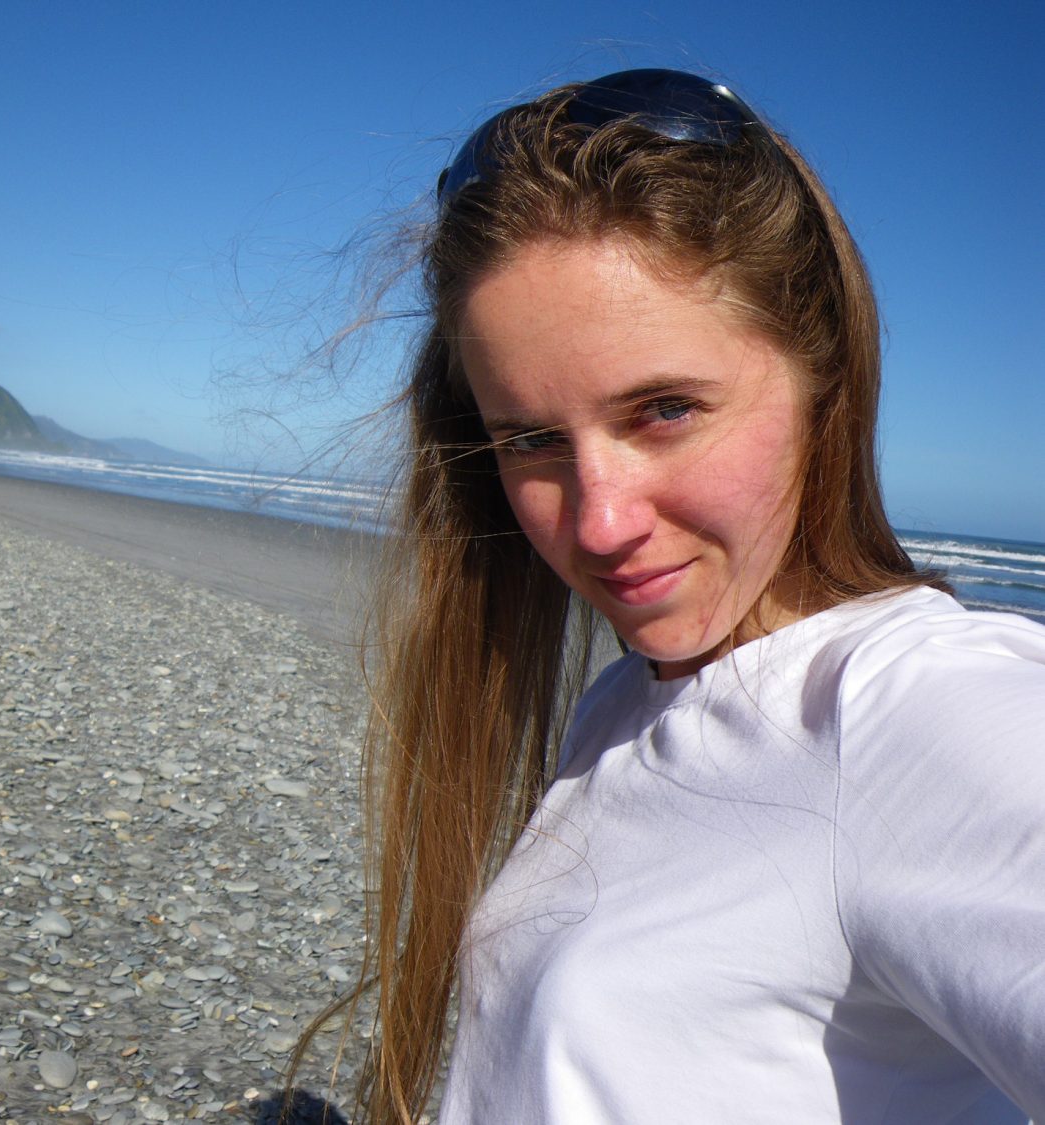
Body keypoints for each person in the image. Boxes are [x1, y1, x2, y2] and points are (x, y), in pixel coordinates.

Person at [324, 69, 1045, 1124]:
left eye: (664, 409)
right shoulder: (628, 699)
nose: (601, 522)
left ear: (824, 377)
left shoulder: (909, 713)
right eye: (531, 440)